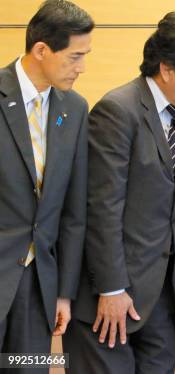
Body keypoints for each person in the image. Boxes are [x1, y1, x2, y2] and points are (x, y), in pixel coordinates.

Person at [62, 11, 175, 374]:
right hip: (111, 300)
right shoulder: (118, 110)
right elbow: (102, 207)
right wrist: (112, 288)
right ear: (168, 68)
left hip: (163, 303)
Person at [0, 0, 93, 365]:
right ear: (41, 50)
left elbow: (74, 210)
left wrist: (63, 293)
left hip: (38, 285)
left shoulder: (75, 108)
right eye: (74, 57)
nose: (82, 68)